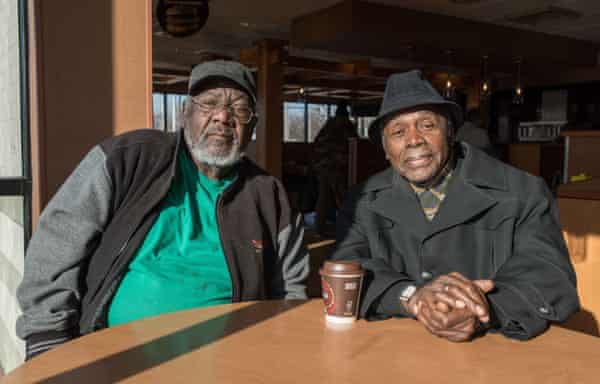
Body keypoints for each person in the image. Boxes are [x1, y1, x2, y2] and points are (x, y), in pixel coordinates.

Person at [16, 60, 309, 360]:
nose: (223, 116)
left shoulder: (269, 196)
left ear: (252, 126)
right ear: (185, 113)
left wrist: (279, 355)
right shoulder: (129, 159)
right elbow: (57, 243)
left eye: (239, 109)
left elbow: (290, 291)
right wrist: (47, 343)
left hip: (228, 362)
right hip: (116, 359)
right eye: (209, 104)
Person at [330, 70, 579, 341]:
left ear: (449, 131)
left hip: (495, 359)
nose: (414, 139)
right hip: (394, 354)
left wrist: (485, 307)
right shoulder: (363, 201)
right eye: (398, 131)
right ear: (386, 150)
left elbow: (549, 275)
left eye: (427, 125)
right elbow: (345, 267)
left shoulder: (523, 192)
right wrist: (411, 296)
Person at [312, 100, 357, 235]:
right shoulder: (345, 126)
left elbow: (316, 145)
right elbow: (354, 145)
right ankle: (348, 230)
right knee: (343, 200)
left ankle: (319, 229)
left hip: (323, 167)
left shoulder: (327, 127)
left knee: (324, 199)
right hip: (337, 168)